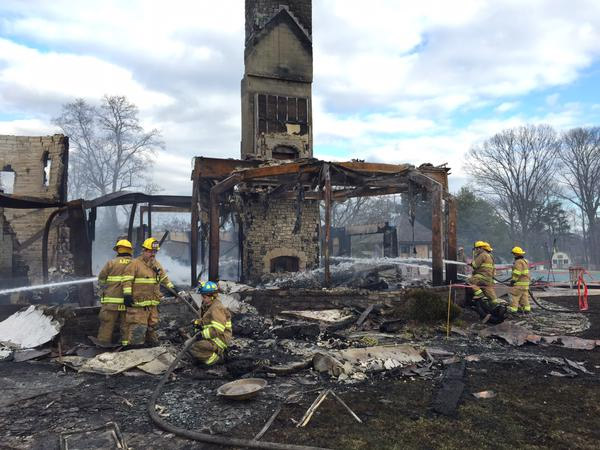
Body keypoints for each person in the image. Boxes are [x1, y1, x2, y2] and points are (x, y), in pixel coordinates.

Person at [121, 237, 175, 346]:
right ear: (144, 250)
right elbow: (127, 280)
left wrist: (172, 288)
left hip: (152, 305)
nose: (153, 254)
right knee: (138, 328)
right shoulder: (134, 264)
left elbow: (164, 278)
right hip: (138, 306)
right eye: (150, 251)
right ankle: (135, 350)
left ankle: (152, 348)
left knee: (152, 327)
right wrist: (127, 294)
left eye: (154, 252)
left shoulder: (156, 264)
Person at [96, 239, 133, 345]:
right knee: (127, 325)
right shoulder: (135, 264)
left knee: (107, 324)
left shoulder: (111, 263)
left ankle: (102, 345)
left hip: (111, 302)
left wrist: (105, 287)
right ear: (130, 250)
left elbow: (101, 279)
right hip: (128, 302)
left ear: (118, 250)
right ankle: (126, 346)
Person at [189, 281, 232, 367]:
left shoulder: (216, 308)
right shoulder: (208, 305)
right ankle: (204, 356)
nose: (202, 299)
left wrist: (202, 334)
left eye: (204, 297)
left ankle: (217, 360)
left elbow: (217, 330)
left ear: (212, 296)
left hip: (220, 339)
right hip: (213, 337)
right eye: (202, 296)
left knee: (194, 346)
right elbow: (206, 321)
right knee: (189, 342)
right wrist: (197, 323)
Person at [507, 246, 531, 313]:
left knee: (514, 295)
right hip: (525, 284)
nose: (513, 255)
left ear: (516, 254)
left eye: (514, 254)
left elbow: (517, 272)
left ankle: (513, 309)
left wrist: (513, 280)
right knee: (524, 297)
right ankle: (526, 309)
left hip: (519, 283)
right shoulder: (525, 261)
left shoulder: (518, 262)